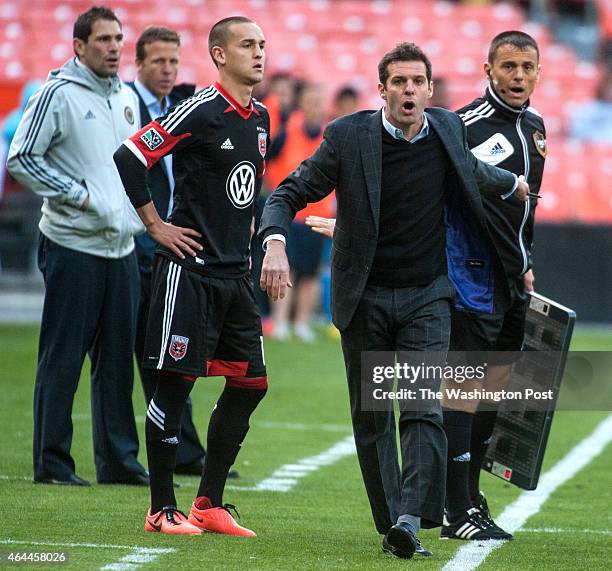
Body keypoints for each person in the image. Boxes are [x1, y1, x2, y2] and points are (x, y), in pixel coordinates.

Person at [259, 42, 528, 559]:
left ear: (429, 89)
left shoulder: (447, 129)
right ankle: (393, 526)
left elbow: (472, 172)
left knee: (423, 409)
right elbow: (289, 192)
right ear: (382, 89)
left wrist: (512, 184)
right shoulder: (347, 137)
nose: (408, 90)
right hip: (366, 300)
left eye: (416, 82)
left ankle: (410, 518)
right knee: (373, 420)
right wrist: (274, 240)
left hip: (428, 296)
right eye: (398, 82)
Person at [114, 16, 269, 536]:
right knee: (175, 384)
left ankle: (209, 503)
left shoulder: (262, 117)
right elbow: (131, 155)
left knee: (252, 383)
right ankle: (161, 509)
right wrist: (156, 225)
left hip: (235, 277)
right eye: (247, 45)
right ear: (220, 55)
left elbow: (243, 193)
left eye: (262, 45)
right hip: (190, 273)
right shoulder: (202, 109)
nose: (259, 53)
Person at [6, 6, 148, 486]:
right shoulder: (57, 94)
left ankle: (118, 463)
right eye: (104, 39)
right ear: (79, 46)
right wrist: (79, 196)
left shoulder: (127, 96)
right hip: (72, 244)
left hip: (121, 246)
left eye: (118, 38)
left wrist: (131, 216)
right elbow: (22, 157)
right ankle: (51, 462)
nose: (113, 47)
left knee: (116, 364)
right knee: (63, 356)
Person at [439, 30, 546, 542]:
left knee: (494, 398)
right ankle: (455, 506)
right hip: (470, 282)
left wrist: (524, 262)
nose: (518, 76)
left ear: (539, 72)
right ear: (488, 70)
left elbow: (522, 213)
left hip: (510, 283)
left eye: (527, 67)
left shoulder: (537, 127)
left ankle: (465, 495)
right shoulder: (464, 126)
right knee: (463, 393)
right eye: (508, 67)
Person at [126, 26, 208, 477]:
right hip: (138, 240)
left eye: (173, 61)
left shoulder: (183, 104)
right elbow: (124, 162)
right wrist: (152, 225)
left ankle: (187, 452)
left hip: (175, 244)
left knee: (174, 352)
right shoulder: (126, 105)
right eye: (158, 61)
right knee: (136, 354)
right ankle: (126, 455)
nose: (167, 69)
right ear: (137, 63)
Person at [266, 82, 333, 341]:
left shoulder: (331, 134)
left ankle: (303, 323)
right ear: (301, 102)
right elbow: (267, 161)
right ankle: (281, 321)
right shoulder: (286, 131)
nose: (315, 104)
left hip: (319, 217)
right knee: (287, 270)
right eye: (311, 98)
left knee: (311, 273)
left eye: (319, 98)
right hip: (290, 215)